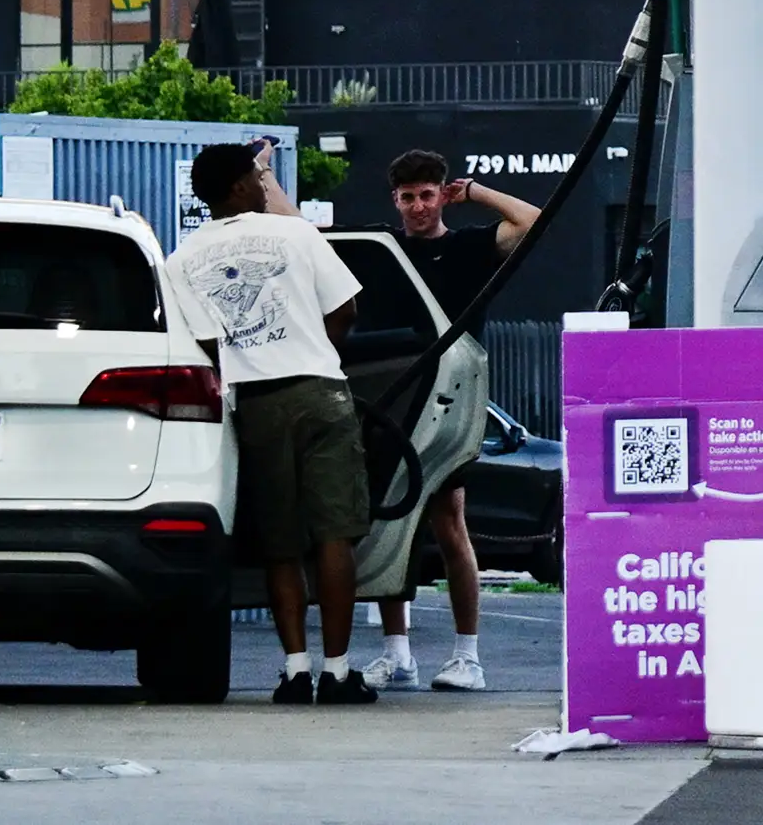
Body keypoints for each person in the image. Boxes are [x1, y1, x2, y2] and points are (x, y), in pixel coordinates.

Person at [169, 139, 374, 706]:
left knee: (281, 542)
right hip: (320, 393)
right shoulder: (298, 234)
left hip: (253, 404)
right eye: (257, 179)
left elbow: (205, 344)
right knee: (334, 534)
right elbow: (346, 309)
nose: (265, 187)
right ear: (237, 185)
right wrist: (312, 353)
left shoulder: (181, 260)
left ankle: (295, 670)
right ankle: (337, 673)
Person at [361, 148, 537, 693]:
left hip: (448, 402)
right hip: (393, 402)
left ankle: (468, 656)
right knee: (388, 521)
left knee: (449, 521)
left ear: (443, 195)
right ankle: (397, 653)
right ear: (396, 200)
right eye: (408, 196)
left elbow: (531, 222)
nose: (417, 206)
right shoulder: (383, 254)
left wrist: (477, 191)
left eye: (427, 194)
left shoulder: (470, 247)